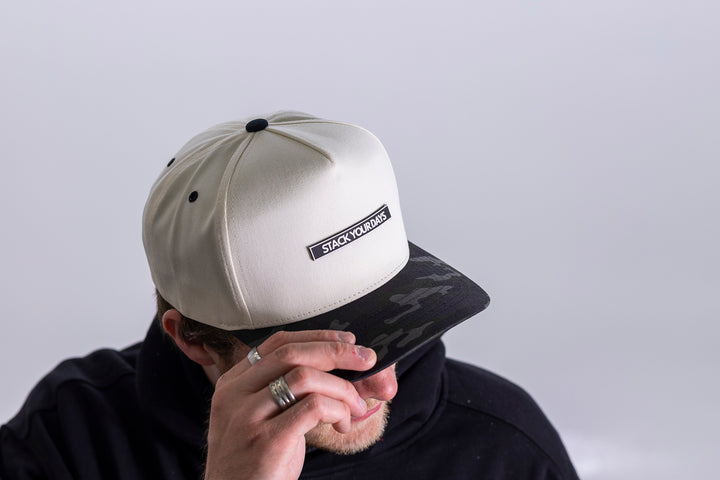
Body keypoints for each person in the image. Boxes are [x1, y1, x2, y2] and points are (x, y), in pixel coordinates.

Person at [0, 111, 579, 479]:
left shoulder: (506, 448)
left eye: (400, 328)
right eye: (331, 358)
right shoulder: (69, 439)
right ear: (193, 339)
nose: (385, 385)